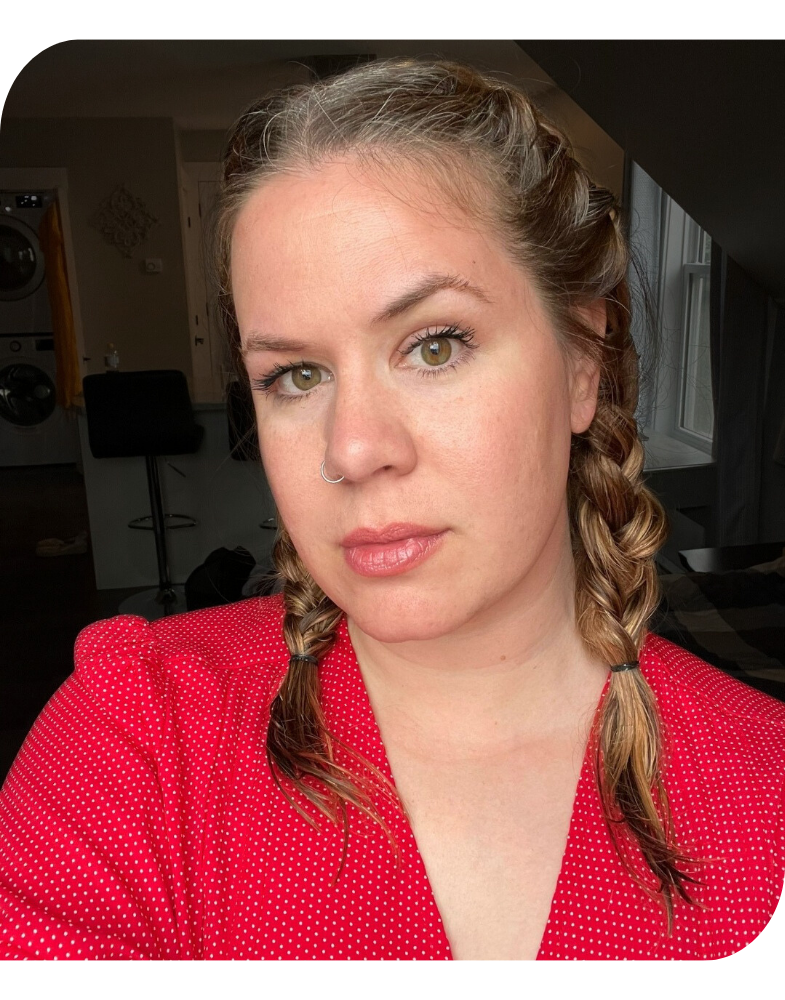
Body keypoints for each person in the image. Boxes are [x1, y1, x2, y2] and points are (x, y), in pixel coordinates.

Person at [1, 59, 783, 962]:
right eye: (296, 374)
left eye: (435, 345)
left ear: (582, 364)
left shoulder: (762, 790)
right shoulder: (135, 741)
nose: (351, 449)